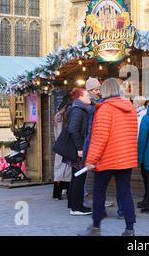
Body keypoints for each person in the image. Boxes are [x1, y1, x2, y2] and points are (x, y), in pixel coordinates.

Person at [81, 78, 138, 236]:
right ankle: (130, 228)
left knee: (99, 192)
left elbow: (100, 138)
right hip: (125, 159)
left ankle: (96, 227)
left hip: (107, 158)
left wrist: (91, 160)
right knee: (125, 192)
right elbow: (133, 134)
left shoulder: (104, 109)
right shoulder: (130, 108)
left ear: (105, 90)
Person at [84, 77, 117, 212]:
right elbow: (92, 130)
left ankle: (98, 212)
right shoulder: (90, 106)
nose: (98, 91)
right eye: (96, 89)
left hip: (98, 148)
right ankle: (86, 203)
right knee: (91, 180)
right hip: (92, 146)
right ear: (89, 91)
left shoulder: (99, 104)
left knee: (100, 183)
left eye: (99, 89)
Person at [65, 88, 92, 216]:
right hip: (79, 150)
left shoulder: (78, 109)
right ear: (80, 97)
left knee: (76, 177)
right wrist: (80, 148)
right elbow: (72, 129)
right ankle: (77, 207)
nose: (89, 97)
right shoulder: (78, 110)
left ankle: (73, 204)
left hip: (78, 149)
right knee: (79, 178)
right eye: (87, 94)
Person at [52, 94, 72, 200]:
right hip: (66, 146)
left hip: (59, 146)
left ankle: (57, 194)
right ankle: (65, 193)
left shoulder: (58, 116)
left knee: (59, 170)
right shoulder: (61, 117)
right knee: (67, 170)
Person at [132, 96, 149, 208]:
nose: (132, 104)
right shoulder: (140, 114)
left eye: (133, 102)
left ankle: (147, 199)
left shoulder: (142, 115)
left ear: (138, 103)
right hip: (143, 147)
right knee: (145, 174)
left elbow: (139, 133)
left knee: (146, 174)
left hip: (144, 148)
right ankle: (146, 198)